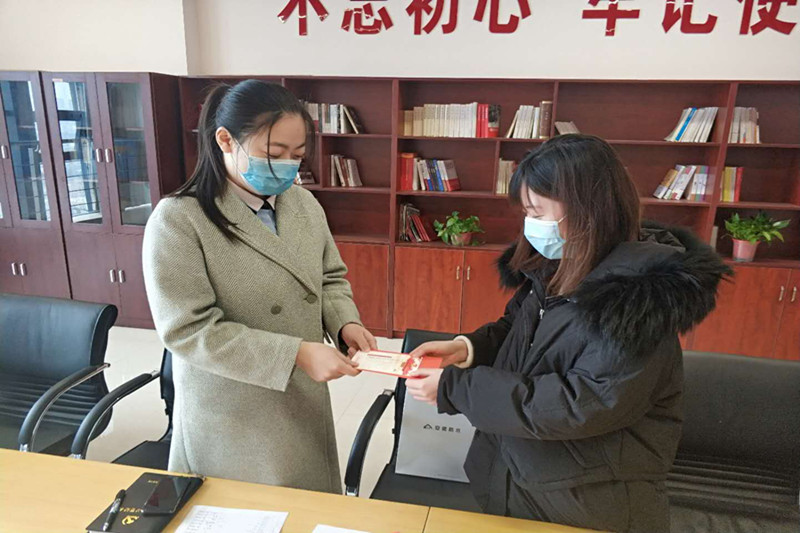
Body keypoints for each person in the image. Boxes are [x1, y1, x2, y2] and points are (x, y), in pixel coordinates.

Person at [406, 134, 731, 532]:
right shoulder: (557, 264)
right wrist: (466, 348)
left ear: (588, 210)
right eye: (527, 212)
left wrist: (457, 389)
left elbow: (579, 404)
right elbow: (518, 330)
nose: (531, 225)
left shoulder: (636, 302)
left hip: (581, 498)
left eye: (539, 212)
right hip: (517, 471)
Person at [143, 80, 376, 493]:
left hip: (302, 394)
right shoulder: (180, 218)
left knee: (306, 503)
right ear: (225, 140)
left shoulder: (304, 204)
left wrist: (345, 323)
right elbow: (187, 330)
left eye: (297, 155)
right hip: (234, 409)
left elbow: (329, 277)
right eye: (274, 153)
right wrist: (294, 354)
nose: (287, 165)